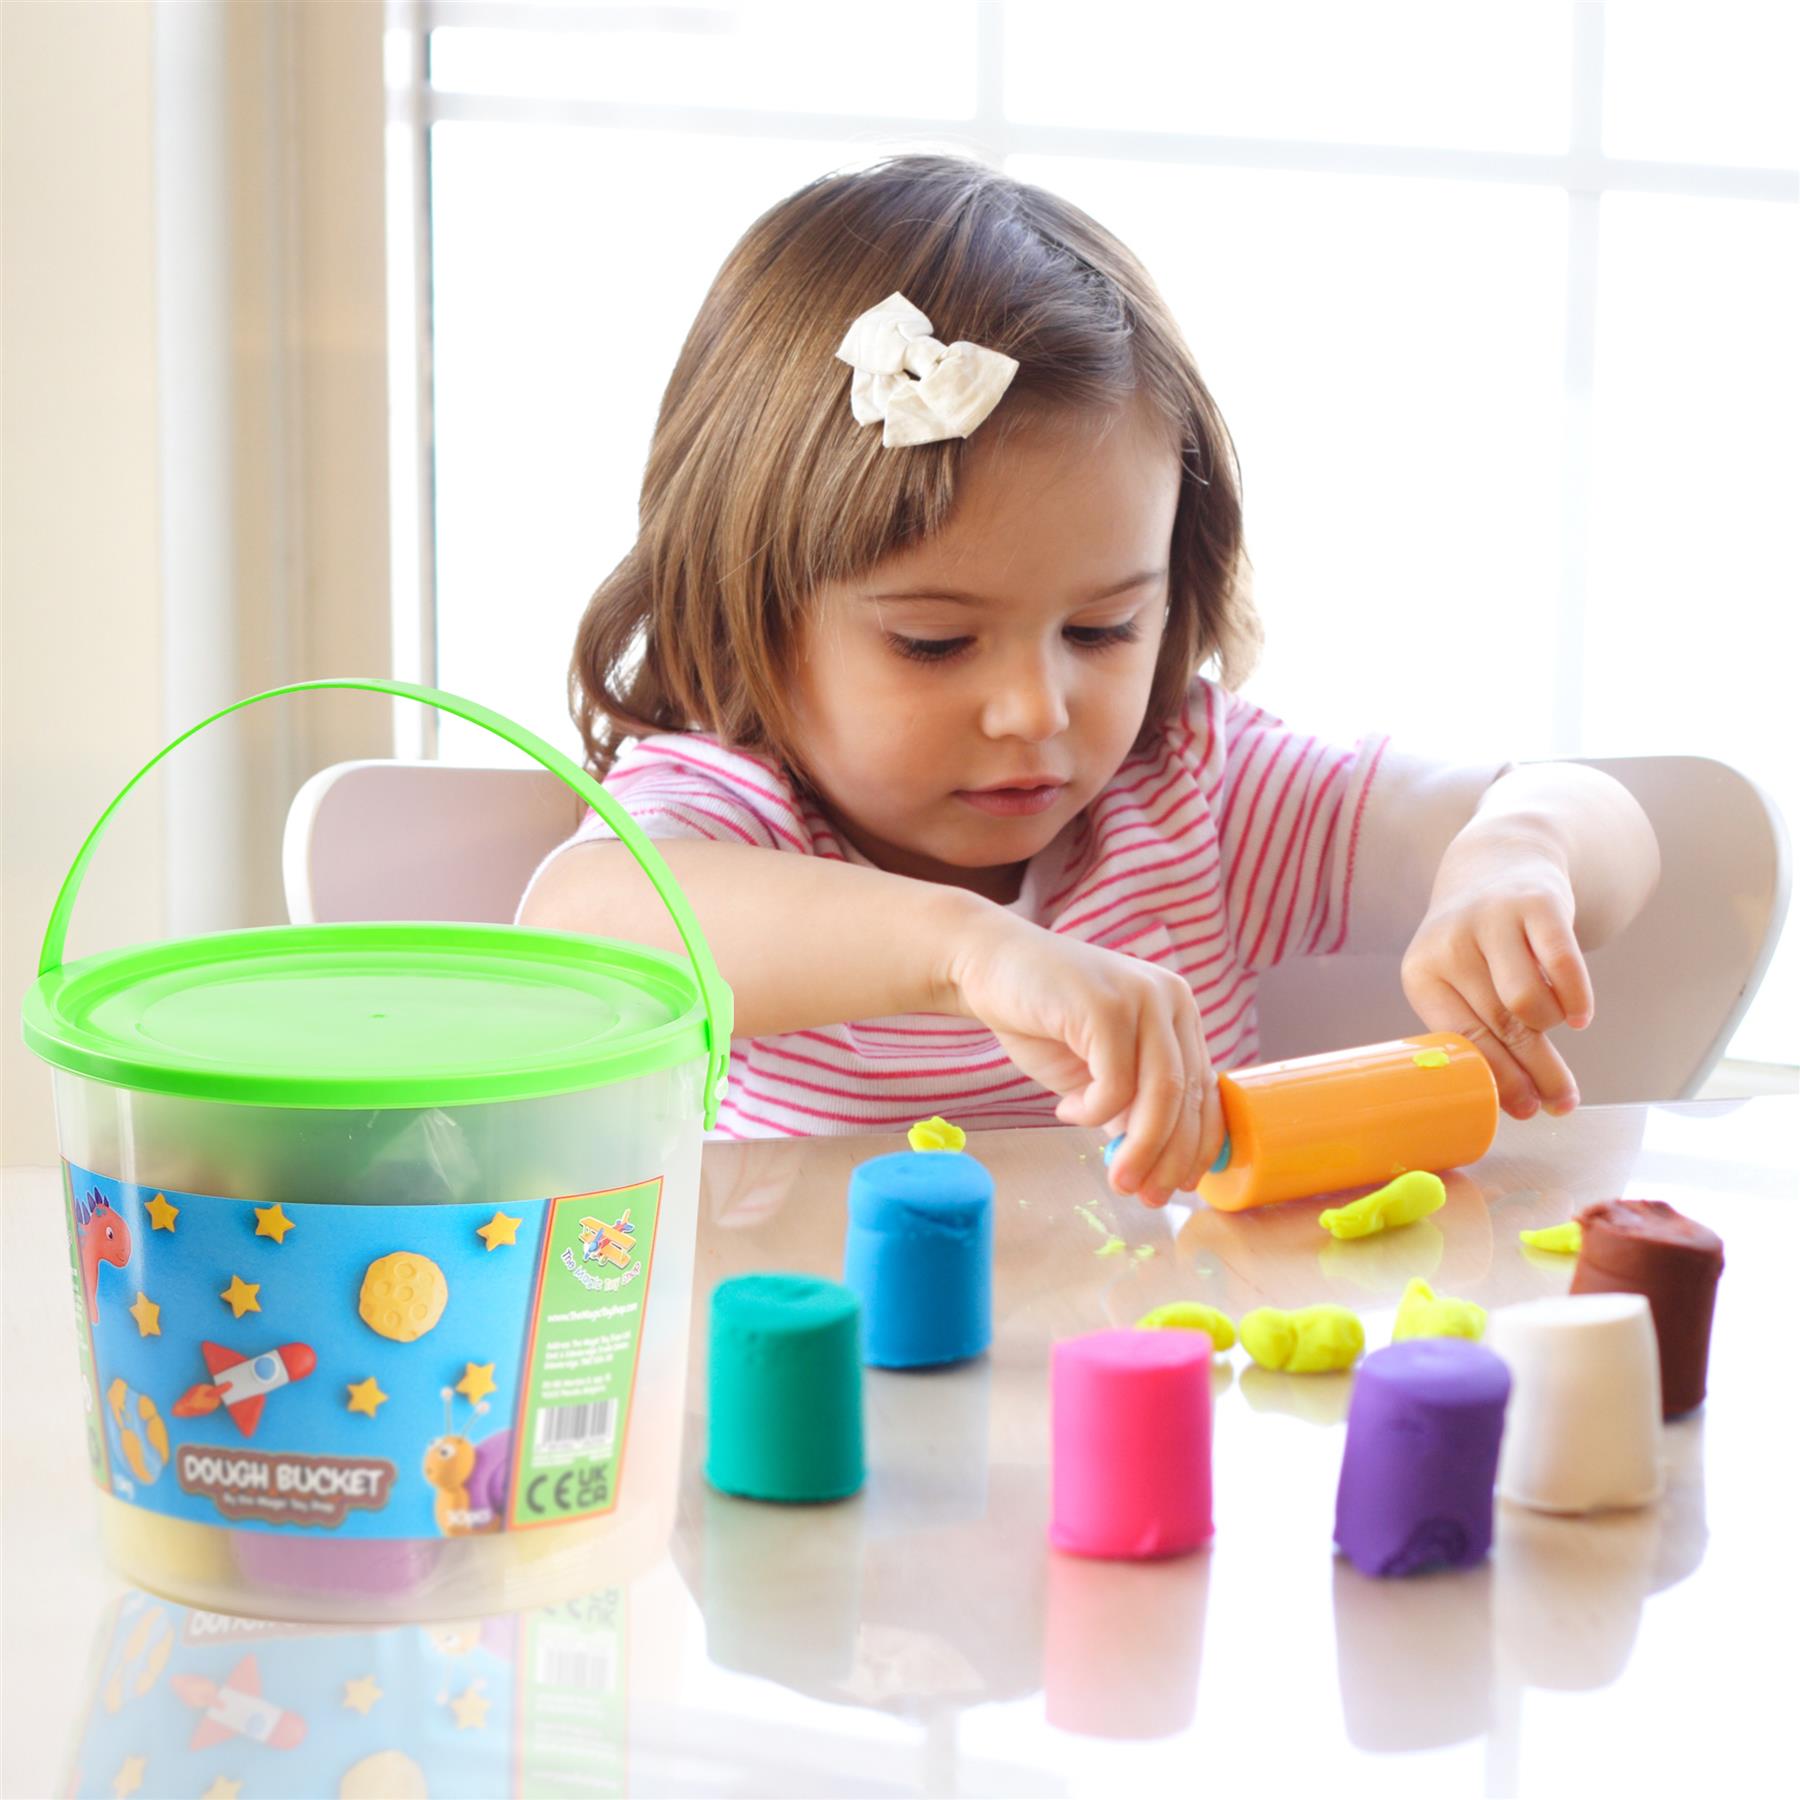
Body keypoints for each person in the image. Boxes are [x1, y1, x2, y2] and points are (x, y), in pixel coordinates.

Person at [518, 154, 1660, 1207]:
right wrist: (967, 954)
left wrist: (1514, 859)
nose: (1038, 710)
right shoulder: (736, 820)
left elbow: (1584, 809)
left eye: (1104, 628)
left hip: (1177, 1384)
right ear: (749, 610)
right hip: (827, 1404)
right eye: (933, 643)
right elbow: (585, 933)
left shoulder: (1189, 798)